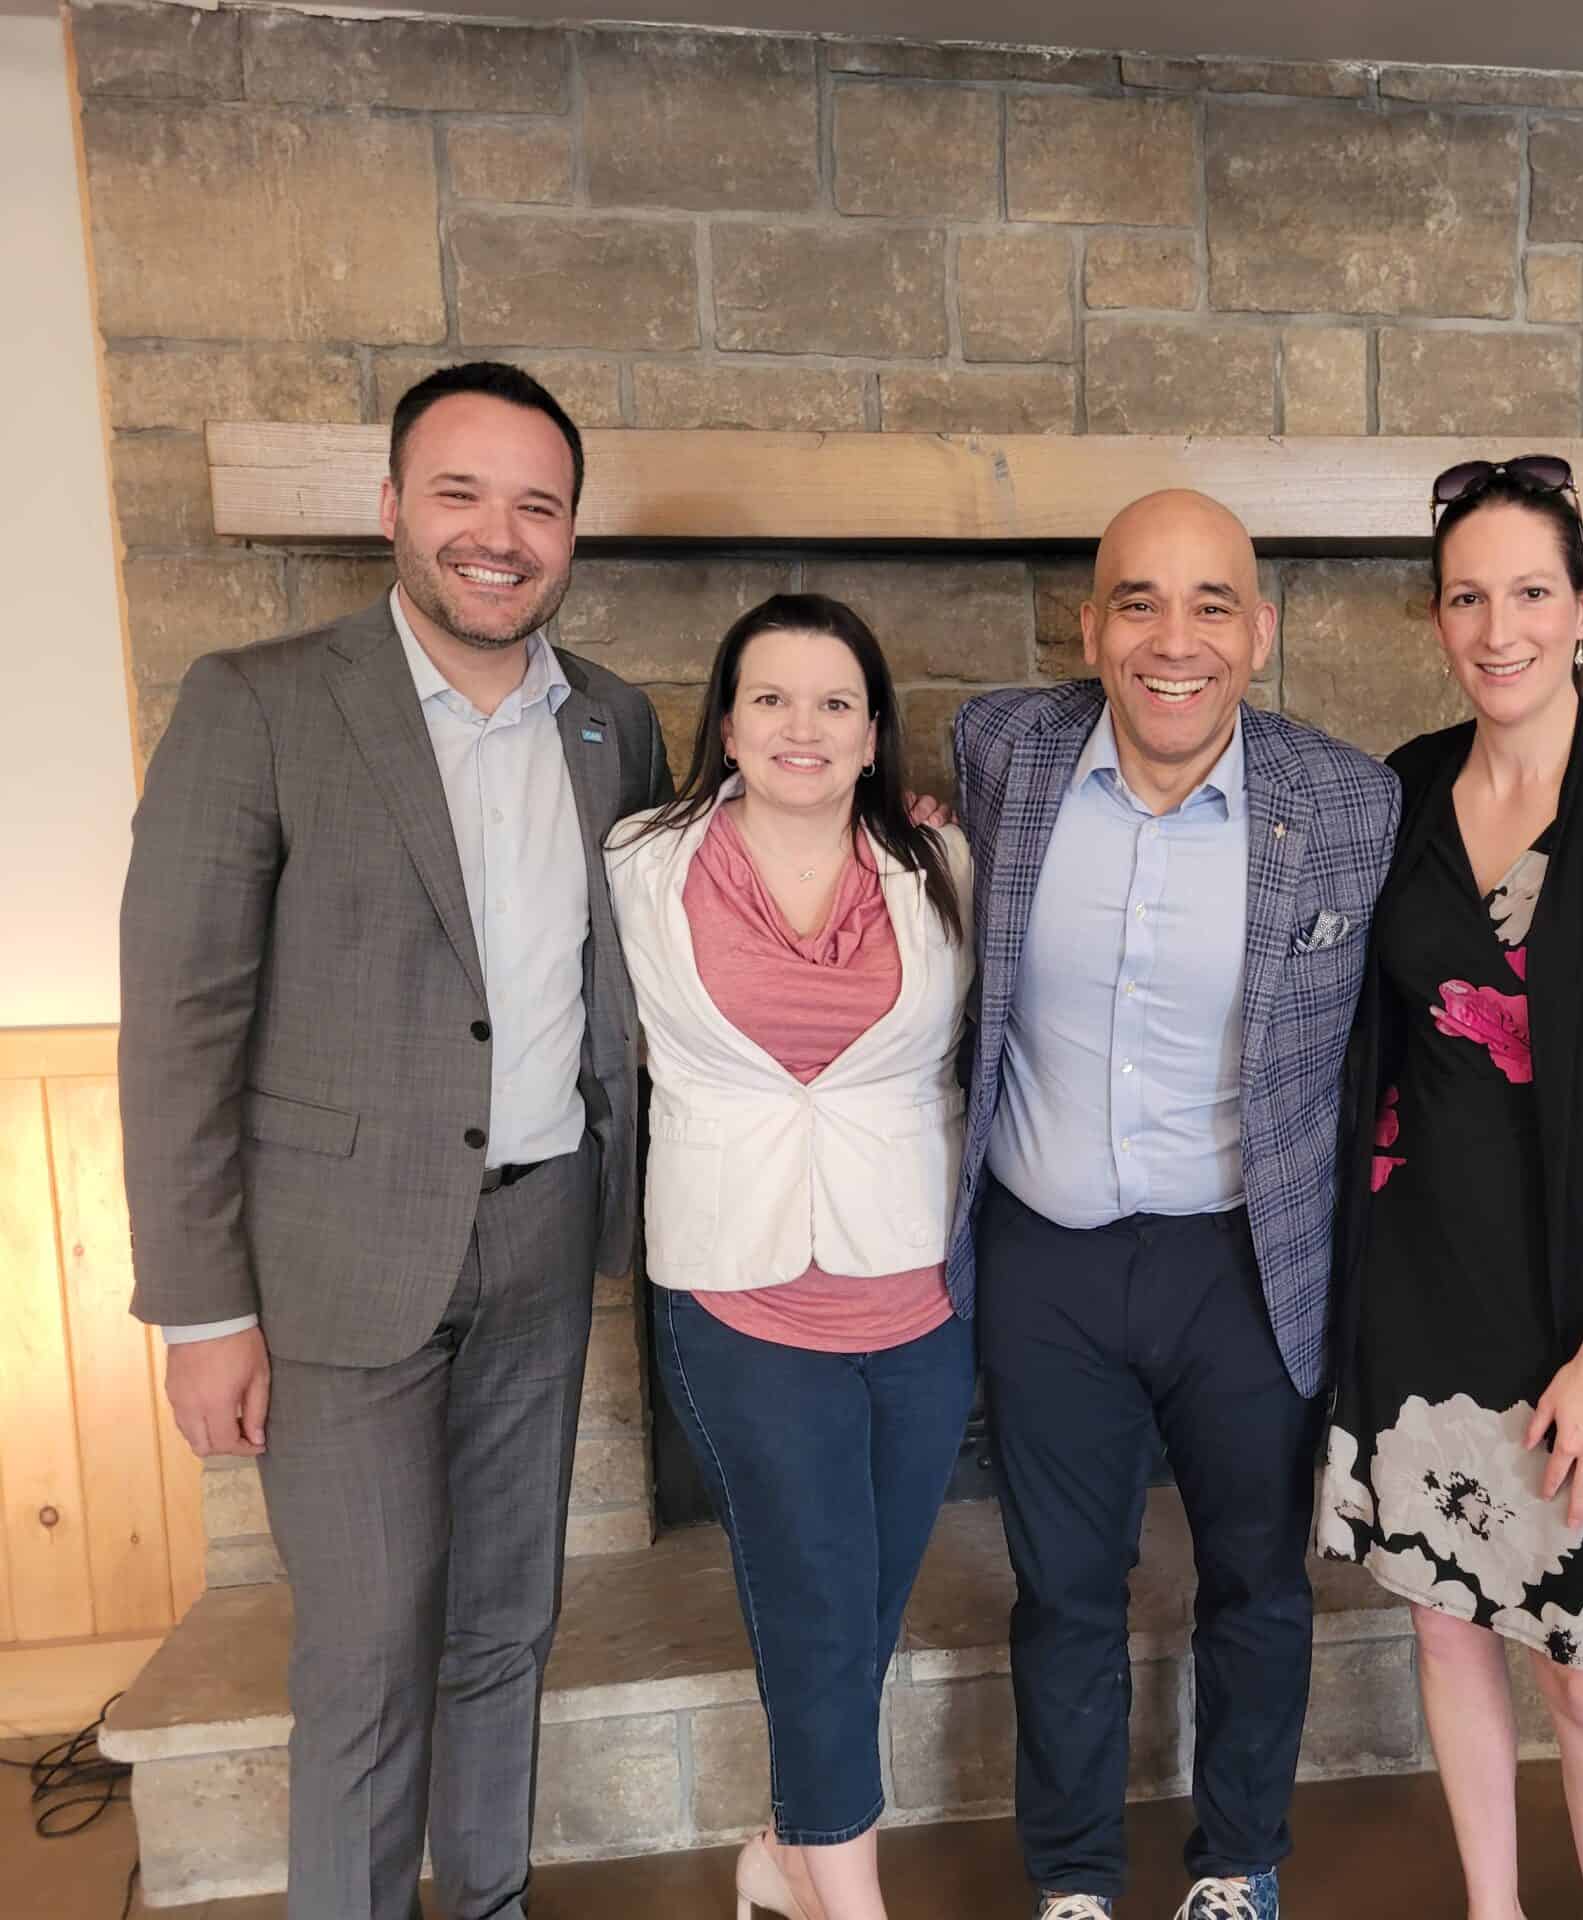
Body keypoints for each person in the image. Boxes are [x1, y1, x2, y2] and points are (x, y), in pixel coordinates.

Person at [119, 363, 667, 1920]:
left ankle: (487, 1902)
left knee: (505, 1626)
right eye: (460, 494)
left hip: (544, 1235)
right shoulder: (260, 702)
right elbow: (180, 1023)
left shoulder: (613, 723)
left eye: (538, 505)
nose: (500, 535)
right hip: (333, 1263)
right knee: (365, 1653)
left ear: (572, 533)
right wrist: (202, 1312)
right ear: (391, 510)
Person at [946, 490, 1400, 1920]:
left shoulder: (1349, 802)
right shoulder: (999, 751)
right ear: (1089, 629)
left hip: (1245, 1260)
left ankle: (1237, 1864)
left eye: (1211, 605)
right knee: (1063, 1590)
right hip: (1046, 1256)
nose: (1174, 639)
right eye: (1138, 602)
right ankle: (1074, 1880)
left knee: (1257, 1582)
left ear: (1259, 633)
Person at [1317, 456, 1583, 1920]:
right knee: (1446, 1630)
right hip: (1417, 1294)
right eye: (1467, 599)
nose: (1500, 630)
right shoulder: (1398, 791)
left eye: (1532, 594)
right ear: (1437, 617)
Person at [604, 594, 975, 1920]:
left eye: (833, 702)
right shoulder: (640, 861)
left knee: (861, 1608)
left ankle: (781, 1853)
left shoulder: (945, 864)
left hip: (918, 1293)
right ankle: (850, 1900)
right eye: (769, 697)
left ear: (873, 734)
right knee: (816, 1605)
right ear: (727, 723)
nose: (799, 726)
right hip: (741, 1291)